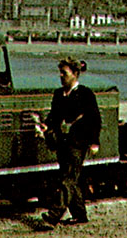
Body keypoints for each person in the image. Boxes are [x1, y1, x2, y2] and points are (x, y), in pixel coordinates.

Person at [32, 58, 101, 227]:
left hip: (78, 142)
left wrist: (94, 142)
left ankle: (54, 216)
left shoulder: (85, 94)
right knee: (70, 178)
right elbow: (54, 116)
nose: (61, 76)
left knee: (68, 179)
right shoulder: (58, 94)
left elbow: (95, 119)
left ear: (75, 74)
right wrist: (45, 126)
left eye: (65, 73)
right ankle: (80, 215)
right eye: (60, 73)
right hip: (62, 142)